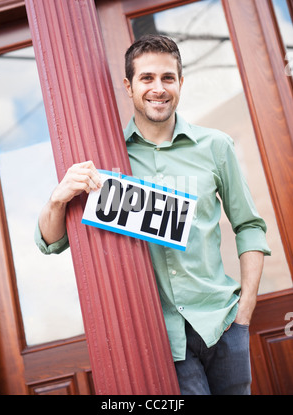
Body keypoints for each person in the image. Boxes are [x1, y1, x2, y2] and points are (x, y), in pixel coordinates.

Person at [35, 35, 271, 395]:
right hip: (160, 338)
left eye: (168, 78)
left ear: (180, 83)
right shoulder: (108, 160)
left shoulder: (216, 146)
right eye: (147, 78)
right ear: (129, 86)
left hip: (221, 325)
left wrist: (244, 313)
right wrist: (57, 200)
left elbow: (250, 227)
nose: (158, 89)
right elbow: (52, 242)